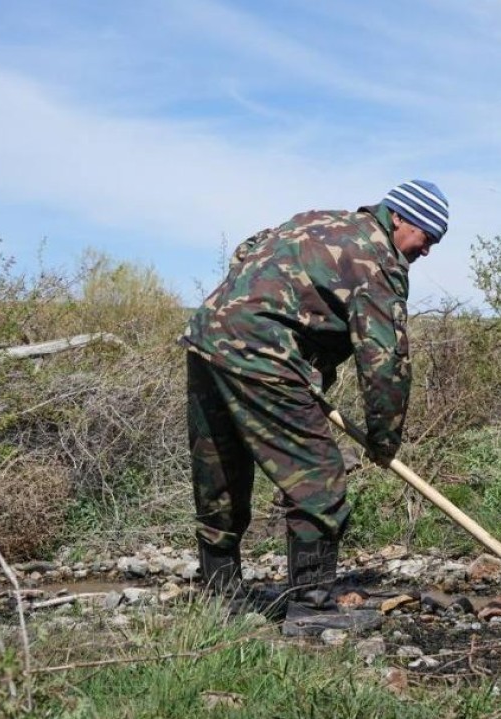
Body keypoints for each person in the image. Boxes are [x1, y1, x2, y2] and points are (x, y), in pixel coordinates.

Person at [179, 180, 449, 617]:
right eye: (427, 237)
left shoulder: (317, 220)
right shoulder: (378, 261)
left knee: (220, 470)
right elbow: (384, 363)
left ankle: (220, 595)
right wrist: (384, 439)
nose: (428, 250)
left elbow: (247, 250)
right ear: (398, 217)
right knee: (318, 476)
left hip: (208, 337)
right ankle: (311, 607)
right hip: (263, 355)